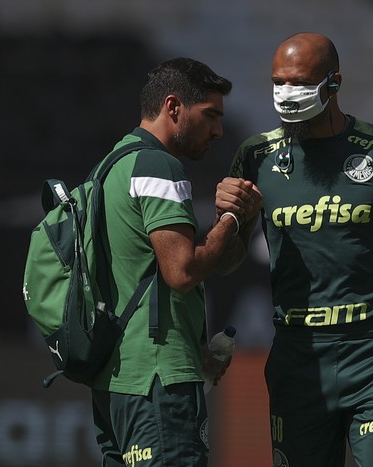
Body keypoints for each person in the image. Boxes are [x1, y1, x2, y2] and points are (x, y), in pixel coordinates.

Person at [215, 32, 373, 466]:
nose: (286, 93)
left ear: (333, 83)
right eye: (278, 82)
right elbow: (229, 260)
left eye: (298, 82)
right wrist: (229, 218)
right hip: (298, 354)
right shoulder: (255, 156)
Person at [89, 57, 259, 467]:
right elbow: (181, 271)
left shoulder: (110, 166)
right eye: (210, 115)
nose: (218, 130)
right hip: (159, 381)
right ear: (173, 107)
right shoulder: (158, 166)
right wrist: (232, 218)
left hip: (116, 382)